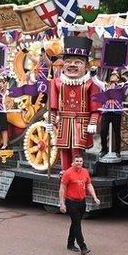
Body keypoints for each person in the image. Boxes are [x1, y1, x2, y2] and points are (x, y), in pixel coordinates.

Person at [47, 36, 100, 172]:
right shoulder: (56, 82)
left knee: (77, 148)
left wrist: (93, 122)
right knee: (64, 148)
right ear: (63, 64)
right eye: (68, 61)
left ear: (86, 66)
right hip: (63, 121)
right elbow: (53, 106)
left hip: (81, 122)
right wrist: (50, 121)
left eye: (78, 62)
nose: (72, 65)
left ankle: (77, 173)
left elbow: (96, 108)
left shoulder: (90, 84)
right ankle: (65, 172)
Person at [59, 154, 101, 255]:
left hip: (82, 202)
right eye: (77, 161)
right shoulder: (68, 173)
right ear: (73, 162)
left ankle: (70, 243)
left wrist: (95, 197)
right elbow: (62, 188)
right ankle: (83, 247)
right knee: (77, 224)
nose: (78, 163)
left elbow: (89, 185)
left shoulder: (85, 172)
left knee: (75, 223)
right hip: (71, 201)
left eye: (80, 161)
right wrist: (62, 203)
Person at [96, 69, 126, 160]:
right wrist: (93, 72)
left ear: (118, 78)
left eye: (115, 75)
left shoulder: (121, 86)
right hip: (106, 111)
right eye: (112, 75)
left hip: (116, 112)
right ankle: (104, 149)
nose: (113, 76)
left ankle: (117, 151)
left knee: (117, 132)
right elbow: (95, 80)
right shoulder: (105, 85)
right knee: (103, 131)